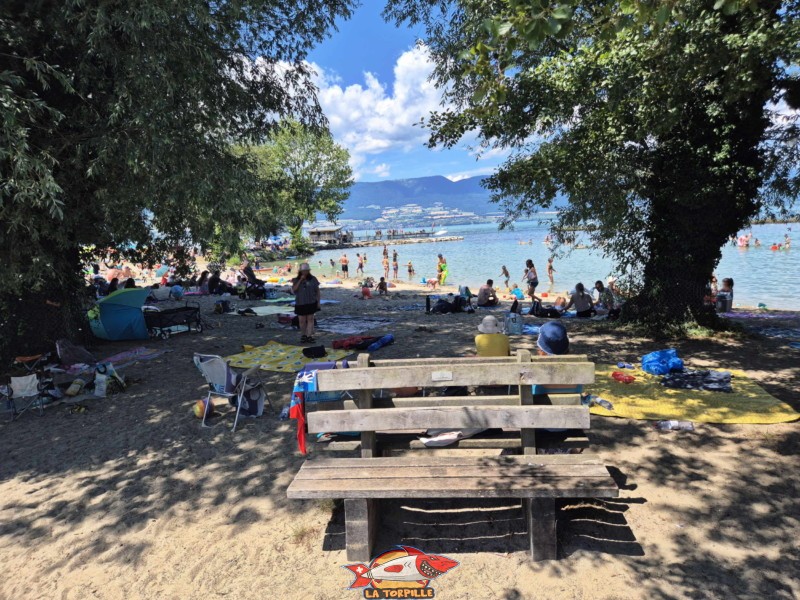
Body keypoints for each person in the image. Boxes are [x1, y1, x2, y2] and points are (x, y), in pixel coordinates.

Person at [291, 263, 321, 343]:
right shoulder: (295, 280)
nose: (305, 272)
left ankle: (309, 336)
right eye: (303, 271)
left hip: (311, 302)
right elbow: (294, 290)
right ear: (300, 271)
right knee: (302, 321)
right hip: (300, 303)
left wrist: (318, 302)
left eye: (306, 271)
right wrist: (300, 280)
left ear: (308, 271)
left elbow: (317, 291)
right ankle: (303, 335)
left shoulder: (313, 279)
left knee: (310, 319)